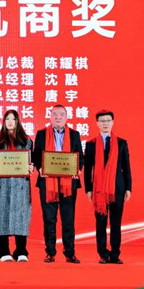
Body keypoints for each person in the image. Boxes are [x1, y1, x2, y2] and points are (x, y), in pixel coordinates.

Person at [33, 104, 84, 263]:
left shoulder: (74, 134)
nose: (58, 117)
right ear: (50, 116)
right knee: (49, 219)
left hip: (69, 184)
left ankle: (70, 253)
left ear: (66, 117)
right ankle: (50, 252)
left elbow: (80, 157)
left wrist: (78, 169)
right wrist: (40, 168)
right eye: (55, 114)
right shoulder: (42, 134)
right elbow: (36, 156)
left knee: (68, 220)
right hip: (47, 182)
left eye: (61, 114)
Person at [84, 109, 132, 264]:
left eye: (108, 121)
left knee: (116, 224)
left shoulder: (121, 143)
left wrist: (128, 188)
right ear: (97, 123)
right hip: (98, 190)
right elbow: (88, 169)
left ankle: (115, 254)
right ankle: (103, 254)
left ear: (113, 122)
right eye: (102, 121)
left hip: (117, 189)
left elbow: (126, 167)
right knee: (101, 223)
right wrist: (88, 189)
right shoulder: (91, 144)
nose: (105, 124)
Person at [0, 110, 34, 262]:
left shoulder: (27, 141)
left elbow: (32, 161)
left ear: (17, 121)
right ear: (3, 121)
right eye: (7, 119)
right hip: (3, 183)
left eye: (13, 119)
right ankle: (3, 252)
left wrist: (32, 167)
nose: (10, 122)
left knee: (21, 216)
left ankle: (21, 251)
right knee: (2, 215)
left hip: (21, 184)